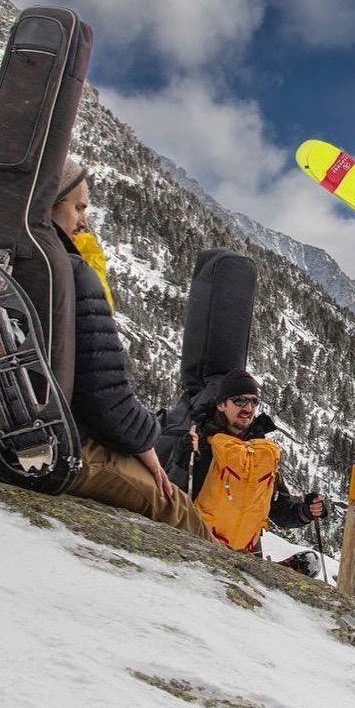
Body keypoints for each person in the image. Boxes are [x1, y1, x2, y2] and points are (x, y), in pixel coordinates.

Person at [52, 159, 212, 541]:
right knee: (175, 505)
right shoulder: (66, 271)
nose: (83, 221)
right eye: (78, 207)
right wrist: (145, 444)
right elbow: (107, 397)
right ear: (48, 202)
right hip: (38, 445)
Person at [189, 368, 326, 558]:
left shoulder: (260, 453)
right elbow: (176, 498)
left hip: (244, 556)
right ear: (221, 405)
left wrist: (305, 511)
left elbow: (278, 508)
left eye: (253, 401)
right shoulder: (201, 444)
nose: (248, 408)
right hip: (199, 549)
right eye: (239, 400)